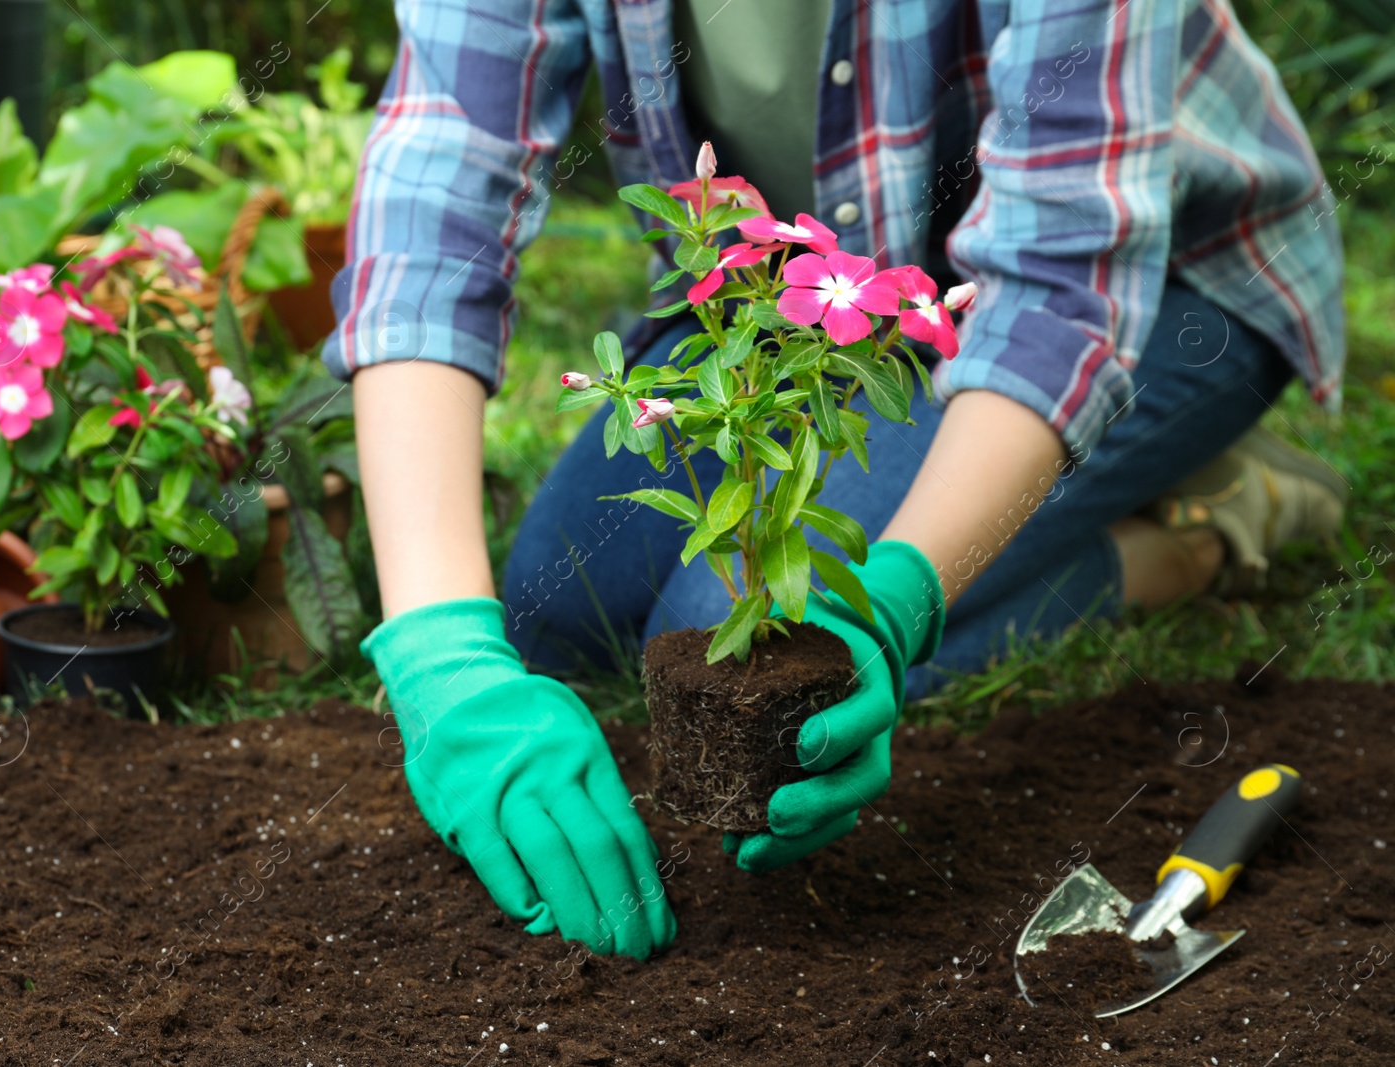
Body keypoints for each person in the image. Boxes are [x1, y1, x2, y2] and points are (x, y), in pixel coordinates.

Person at [324, 0, 1347, 961]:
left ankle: (1207, 517)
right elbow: (440, 189)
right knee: (555, 614)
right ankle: (1053, 490)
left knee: (748, 632)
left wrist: (893, 603)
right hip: (805, 304)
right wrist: (439, 650)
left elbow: (1058, 289)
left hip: (1166, 284)